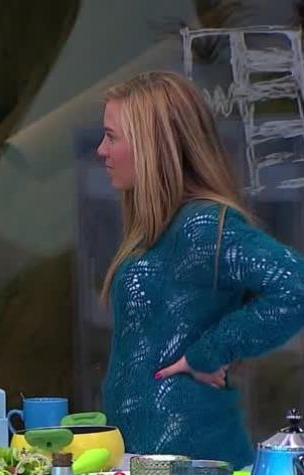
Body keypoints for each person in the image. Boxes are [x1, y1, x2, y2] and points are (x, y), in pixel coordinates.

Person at [97, 71, 304, 468]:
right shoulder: (157, 229)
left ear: (151, 146)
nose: (101, 150)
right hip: (145, 460)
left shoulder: (201, 227)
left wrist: (209, 352)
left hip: (196, 461)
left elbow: (294, 286)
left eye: (112, 137)